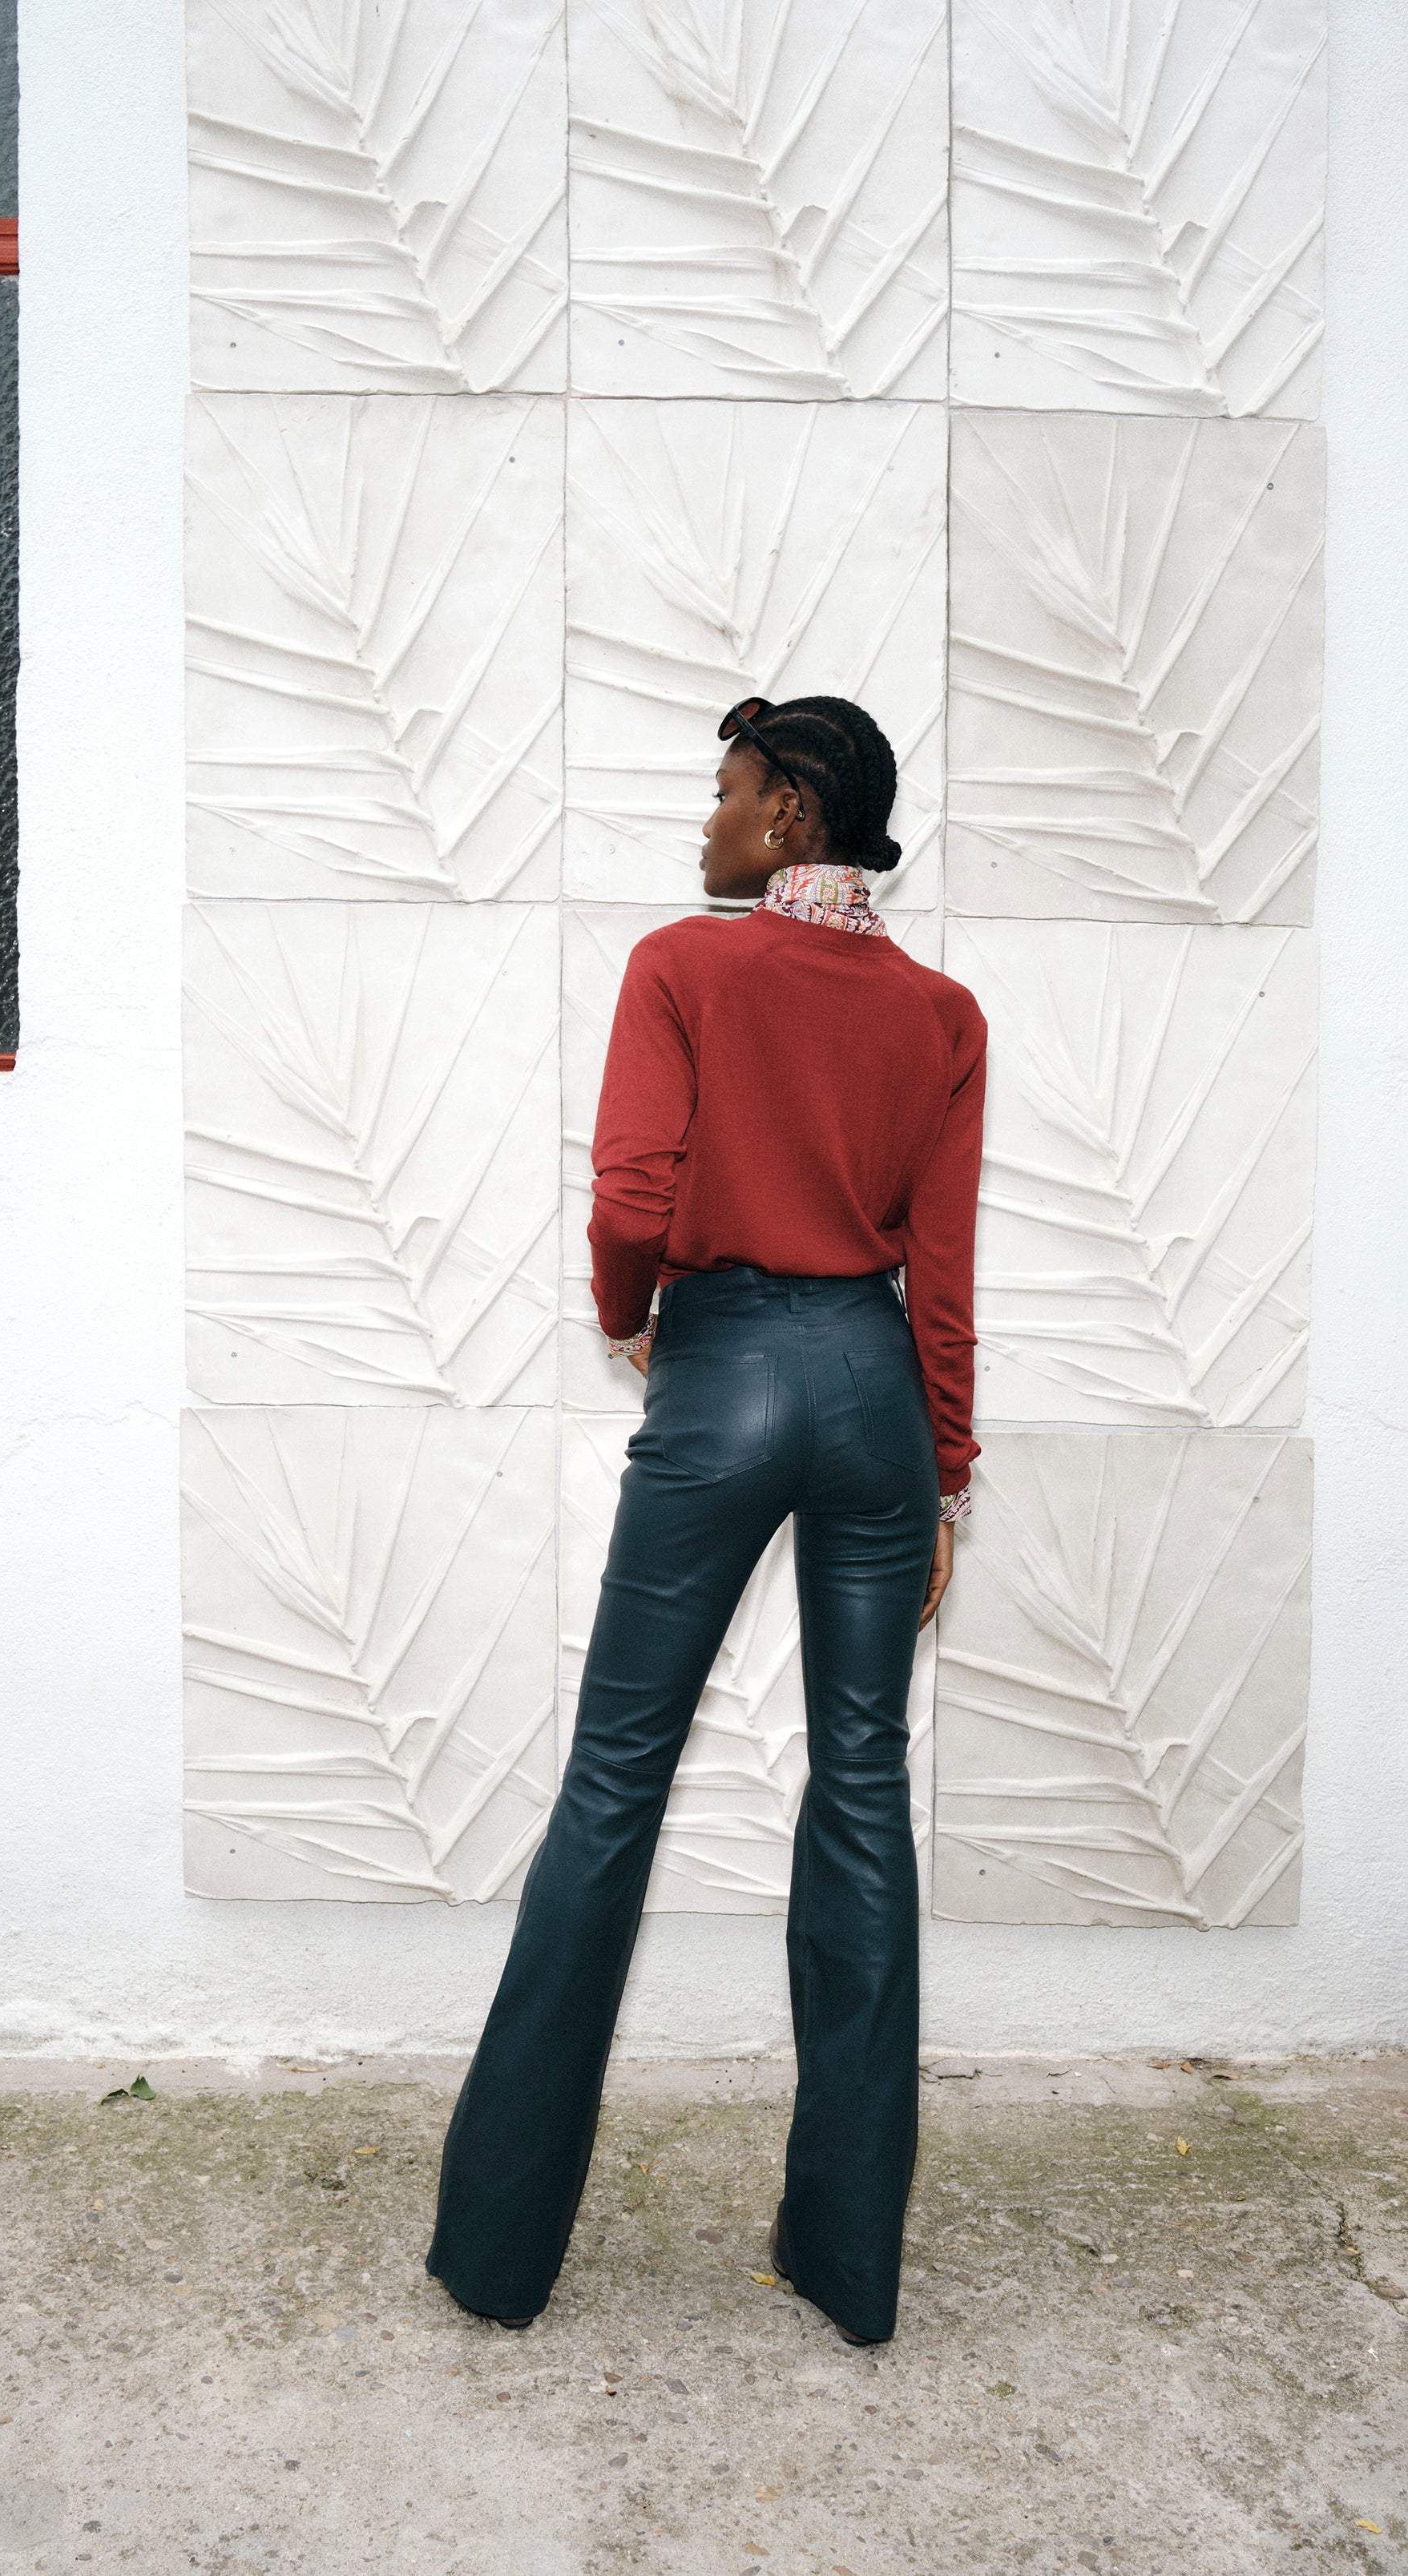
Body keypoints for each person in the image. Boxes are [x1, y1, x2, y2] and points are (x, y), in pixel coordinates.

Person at [427, 693, 986, 2347]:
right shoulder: (942, 1016)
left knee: (612, 1784)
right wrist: (944, 1469)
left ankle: (501, 2256)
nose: (707, 823)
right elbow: (940, 1275)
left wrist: (630, 1319)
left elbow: (629, 1200)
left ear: (794, 816)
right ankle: (846, 2267)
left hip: (728, 1368)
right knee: (864, 1792)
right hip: (876, 1394)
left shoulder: (684, 967)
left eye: (729, 793)